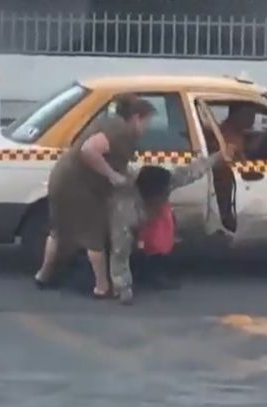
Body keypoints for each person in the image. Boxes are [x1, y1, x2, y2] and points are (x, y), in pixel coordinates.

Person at [34, 94, 156, 298]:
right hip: (79, 186)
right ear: (136, 118)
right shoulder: (119, 131)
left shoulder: (113, 124)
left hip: (63, 180)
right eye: (147, 122)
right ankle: (102, 287)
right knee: (93, 236)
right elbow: (89, 150)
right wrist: (112, 176)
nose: (148, 128)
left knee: (59, 231)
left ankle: (43, 276)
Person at [109, 151, 227, 305]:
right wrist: (124, 289)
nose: (164, 200)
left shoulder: (167, 179)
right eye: (160, 199)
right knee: (122, 243)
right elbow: (119, 252)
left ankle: (155, 269)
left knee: (164, 225)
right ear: (147, 199)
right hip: (110, 215)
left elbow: (193, 170)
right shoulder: (125, 205)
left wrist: (217, 157)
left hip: (143, 212)